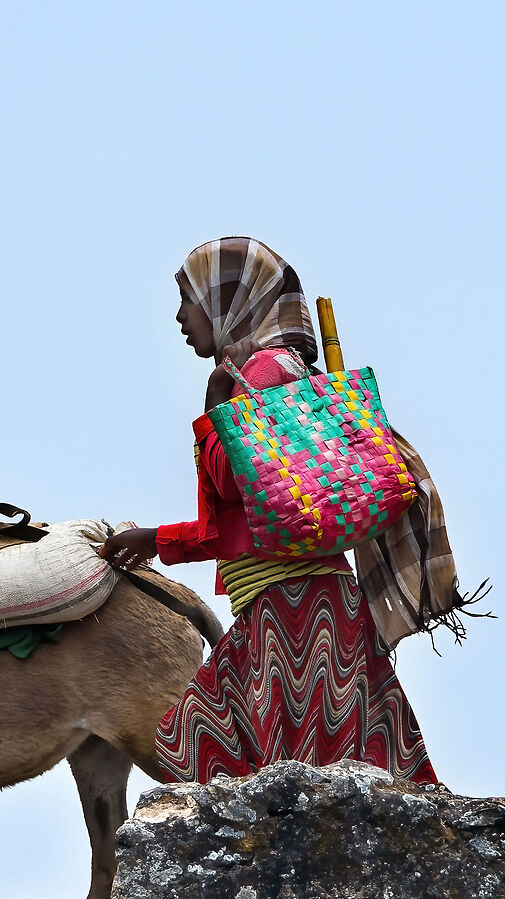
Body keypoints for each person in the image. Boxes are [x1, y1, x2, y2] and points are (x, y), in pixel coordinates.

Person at [102, 237, 471, 787]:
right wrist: (155, 541)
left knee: (260, 768)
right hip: (278, 608)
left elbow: (231, 479)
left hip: (298, 612)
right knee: (218, 750)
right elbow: (238, 527)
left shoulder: (268, 372)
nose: (179, 316)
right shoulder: (258, 373)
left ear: (231, 300)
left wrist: (213, 411)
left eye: (188, 298)